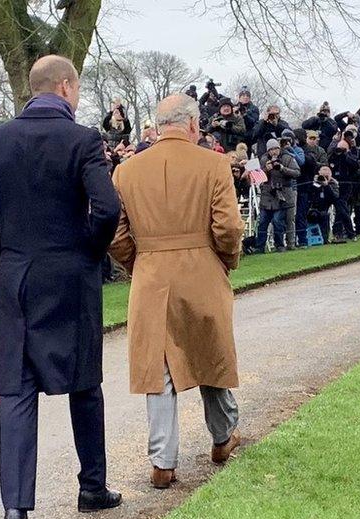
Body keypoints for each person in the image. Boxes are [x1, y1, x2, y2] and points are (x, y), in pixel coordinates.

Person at [0, 55, 123, 519]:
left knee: (16, 388)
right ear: (67, 87)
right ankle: (91, 485)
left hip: (18, 276)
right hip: (70, 272)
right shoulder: (82, 139)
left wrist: (7, 253)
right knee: (83, 380)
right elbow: (108, 206)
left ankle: (15, 509)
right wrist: (88, 251)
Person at [108, 93, 243, 490]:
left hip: (151, 274)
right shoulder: (214, 164)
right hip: (201, 267)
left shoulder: (126, 172)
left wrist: (139, 263)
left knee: (159, 367)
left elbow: (115, 236)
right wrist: (226, 260)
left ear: (159, 123)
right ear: (193, 124)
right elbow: (229, 228)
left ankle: (162, 461)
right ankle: (222, 436)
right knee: (210, 353)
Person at [257, 138, 299, 252]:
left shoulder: (287, 158)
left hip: (282, 195)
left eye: (275, 148)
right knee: (262, 222)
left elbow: (296, 172)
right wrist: (266, 169)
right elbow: (258, 176)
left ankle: (280, 245)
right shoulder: (264, 159)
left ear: (279, 148)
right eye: (271, 150)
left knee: (277, 221)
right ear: (268, 151)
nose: (274, 152)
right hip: (267, 195)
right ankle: (259, 246)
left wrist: (282, 168)